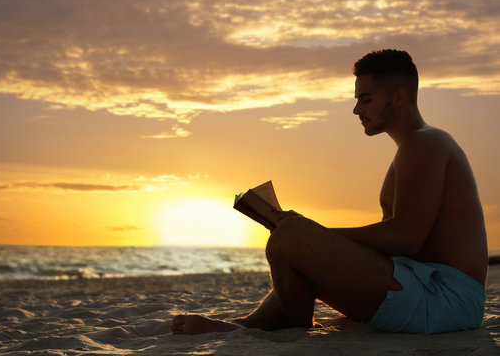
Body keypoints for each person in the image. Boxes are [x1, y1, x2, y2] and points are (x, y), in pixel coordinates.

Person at [170, 49, 488, 335]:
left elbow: (406, 238)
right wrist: (315, 242)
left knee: (292, 235)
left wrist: (316, 235)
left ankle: (275, 327)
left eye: (365, 99)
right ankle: (256, 323)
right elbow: (395, 244)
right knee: (292, 236)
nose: (355, 109)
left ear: (399, 97)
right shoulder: (413, 146)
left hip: (445, 300)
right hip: (421, 285)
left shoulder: (424, 142)